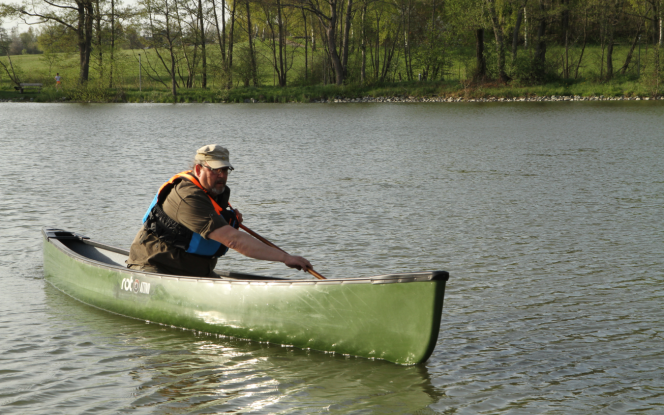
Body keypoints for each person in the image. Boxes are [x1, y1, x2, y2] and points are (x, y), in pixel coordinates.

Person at [127, 145, 312, 277]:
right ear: (198, 169)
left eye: (225, 170)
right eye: (215, 170)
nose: (222, 176)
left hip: (195, 271)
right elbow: (233, 240)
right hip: (156, 268)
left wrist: (228, 220)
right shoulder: (187, 196)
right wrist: (284, 257)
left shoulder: (215, 192)